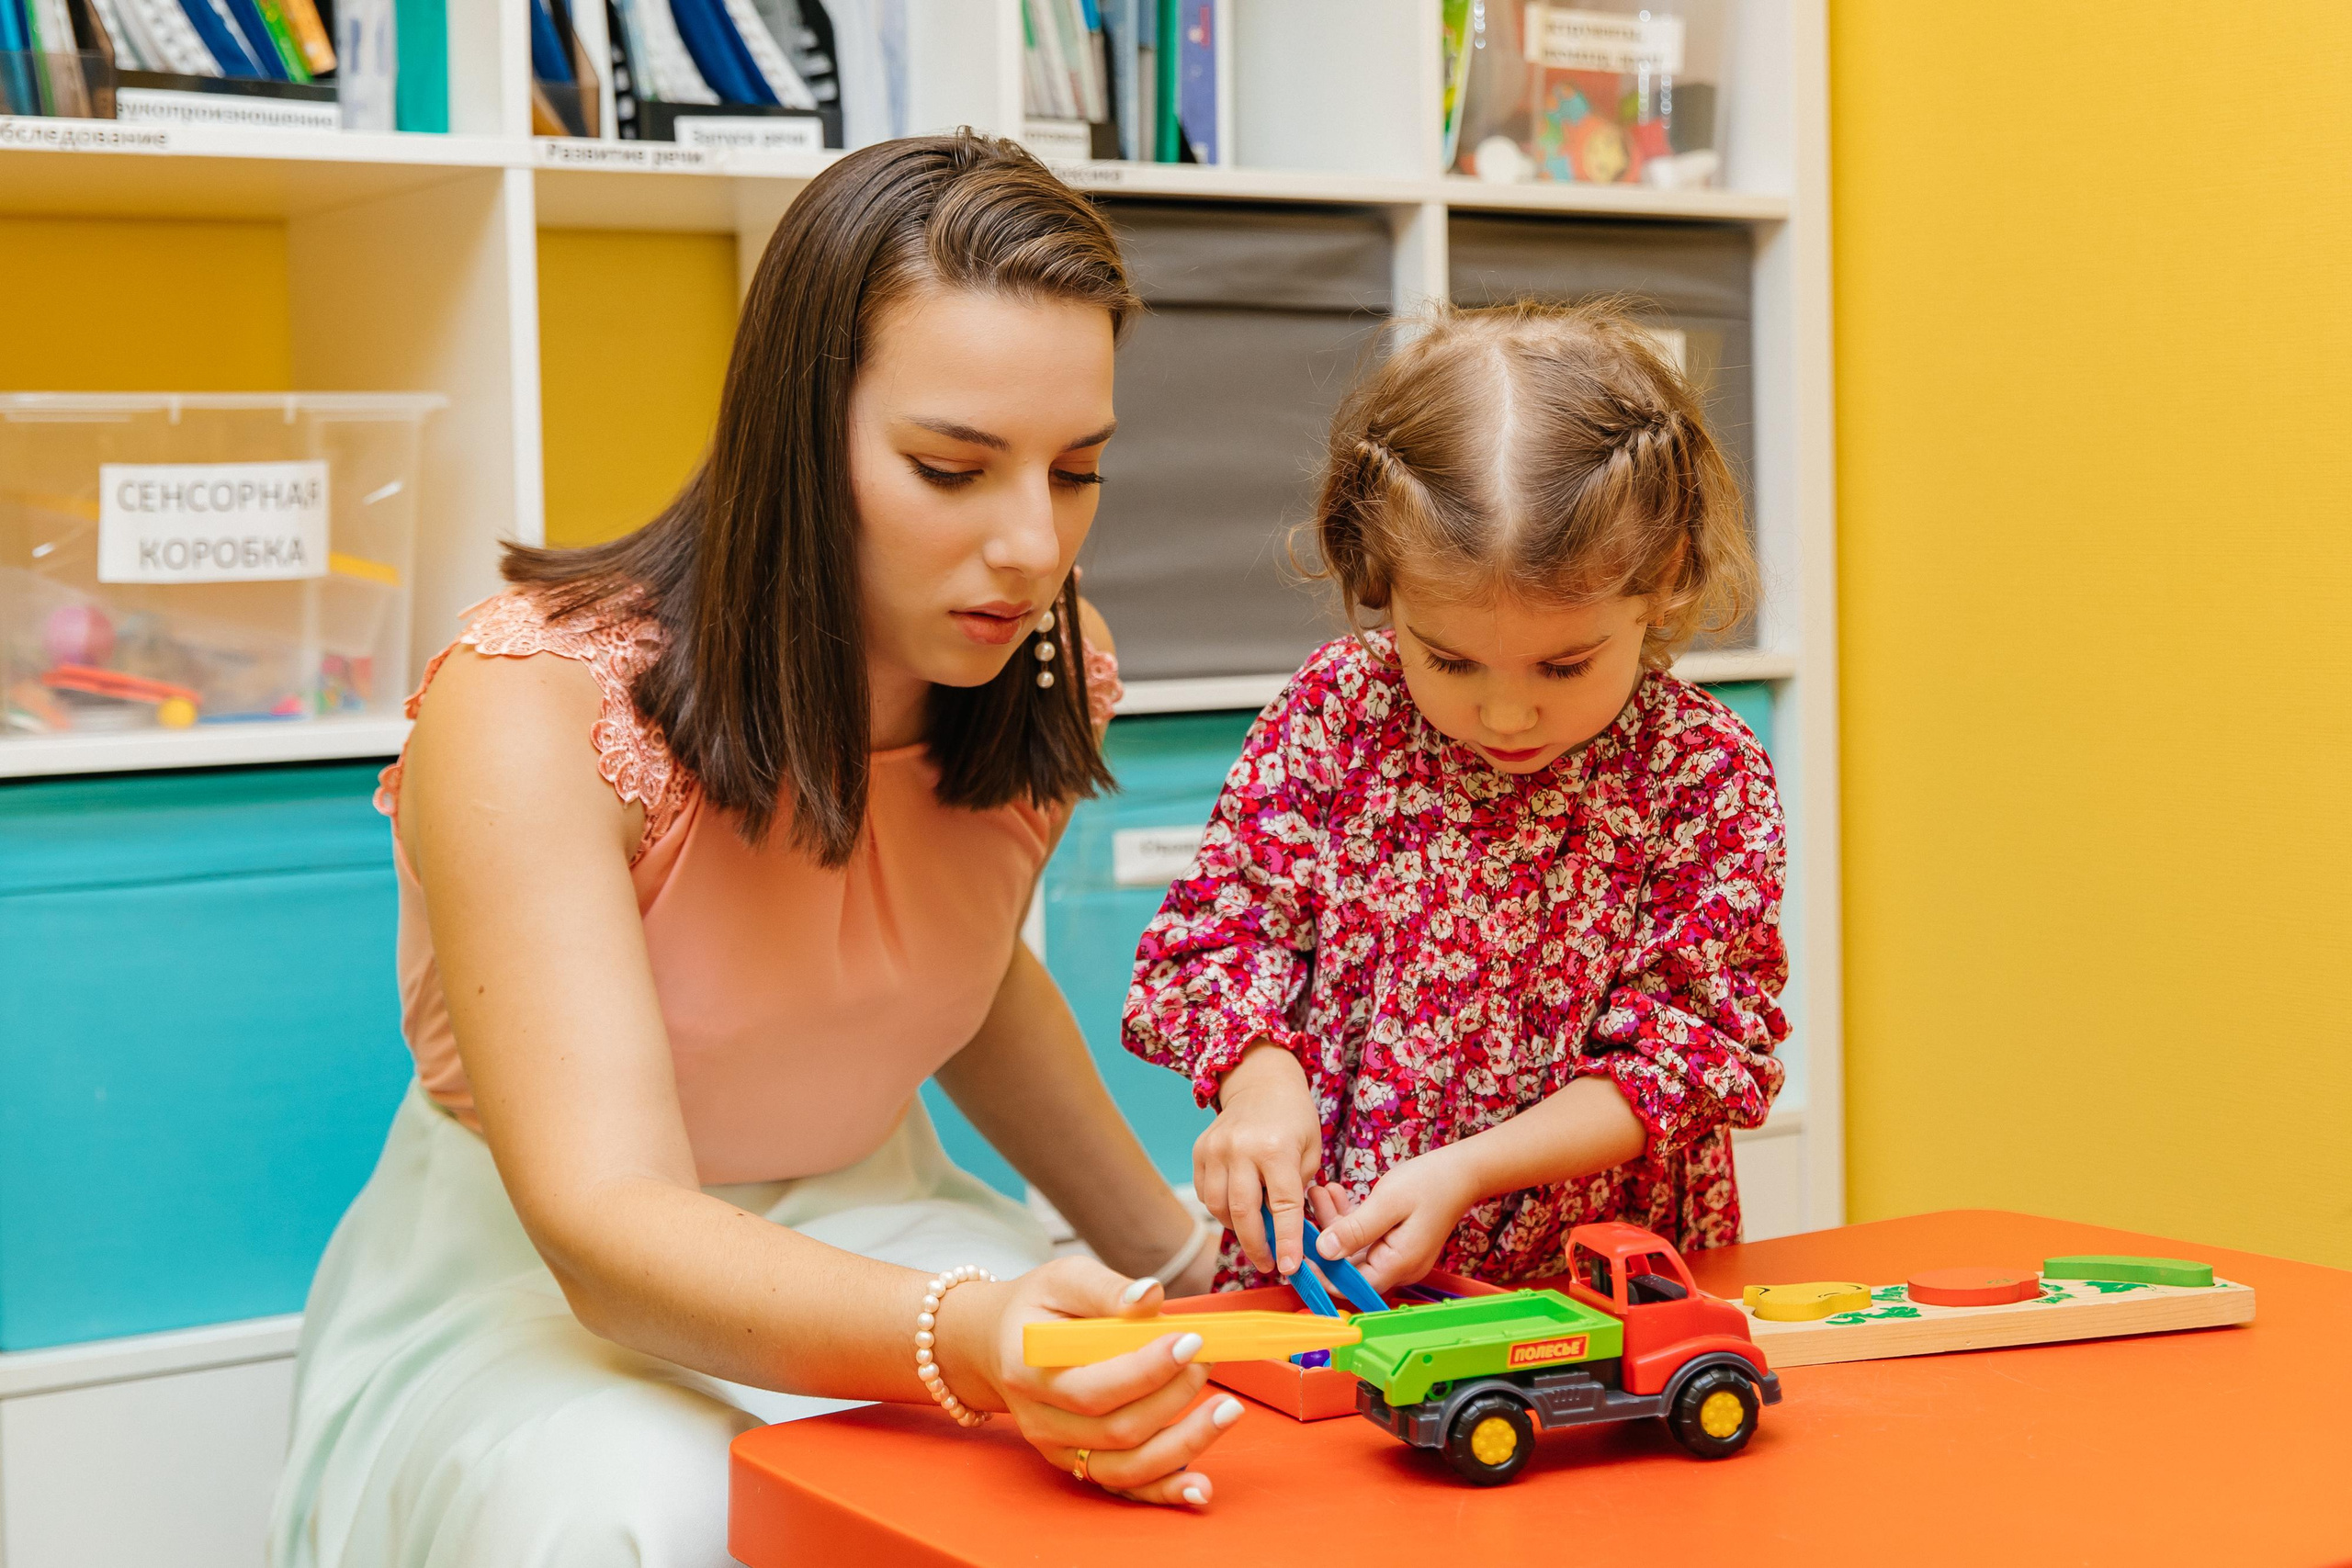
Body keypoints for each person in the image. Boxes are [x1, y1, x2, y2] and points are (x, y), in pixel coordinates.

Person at [270, 134, 1240, 1568]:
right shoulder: (532, 702)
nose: (1033, 546)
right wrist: (976, 1333)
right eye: (952, 468)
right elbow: (606, 1230)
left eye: (1079, 468)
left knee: (1118, 1449)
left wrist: (1196, 1261)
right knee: (662, 1502)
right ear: (799, 433)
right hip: (537, 1285)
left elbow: (957, 974)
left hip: (885, 1223)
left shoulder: (1041, 663)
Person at [1124, 300, 1789, 1293]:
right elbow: (1224, 938)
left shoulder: (1701, 771)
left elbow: (1685, 1051)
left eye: (1564, 665)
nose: (1506, 713)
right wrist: (1258, 1084)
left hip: (1601, 1285)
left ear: (1667, 578)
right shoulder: (1339, 712)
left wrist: (1467, 1172)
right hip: (1343, 1271)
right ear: (1379, 579)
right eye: (1448, 659)